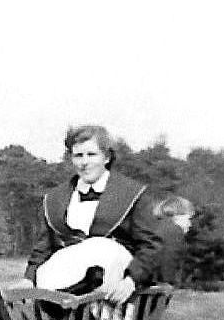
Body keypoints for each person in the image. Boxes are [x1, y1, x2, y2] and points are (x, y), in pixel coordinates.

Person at [17, 125, 164, 306]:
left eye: (92, 155)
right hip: (67, 287)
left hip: (118, 292)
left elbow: (151, 247)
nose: (84, 162)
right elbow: (43, 248)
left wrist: (131, 281)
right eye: (78, 156)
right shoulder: (55, 198)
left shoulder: (132, 194)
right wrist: (28, 278)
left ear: (107, 157)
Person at [152, 196, 195, 286]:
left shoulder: (158, 228)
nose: (190, 224)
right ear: (176, 216)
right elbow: (168, 258)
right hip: (156, 284)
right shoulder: (174, 232)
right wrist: (168, 281)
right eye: (188, 219)